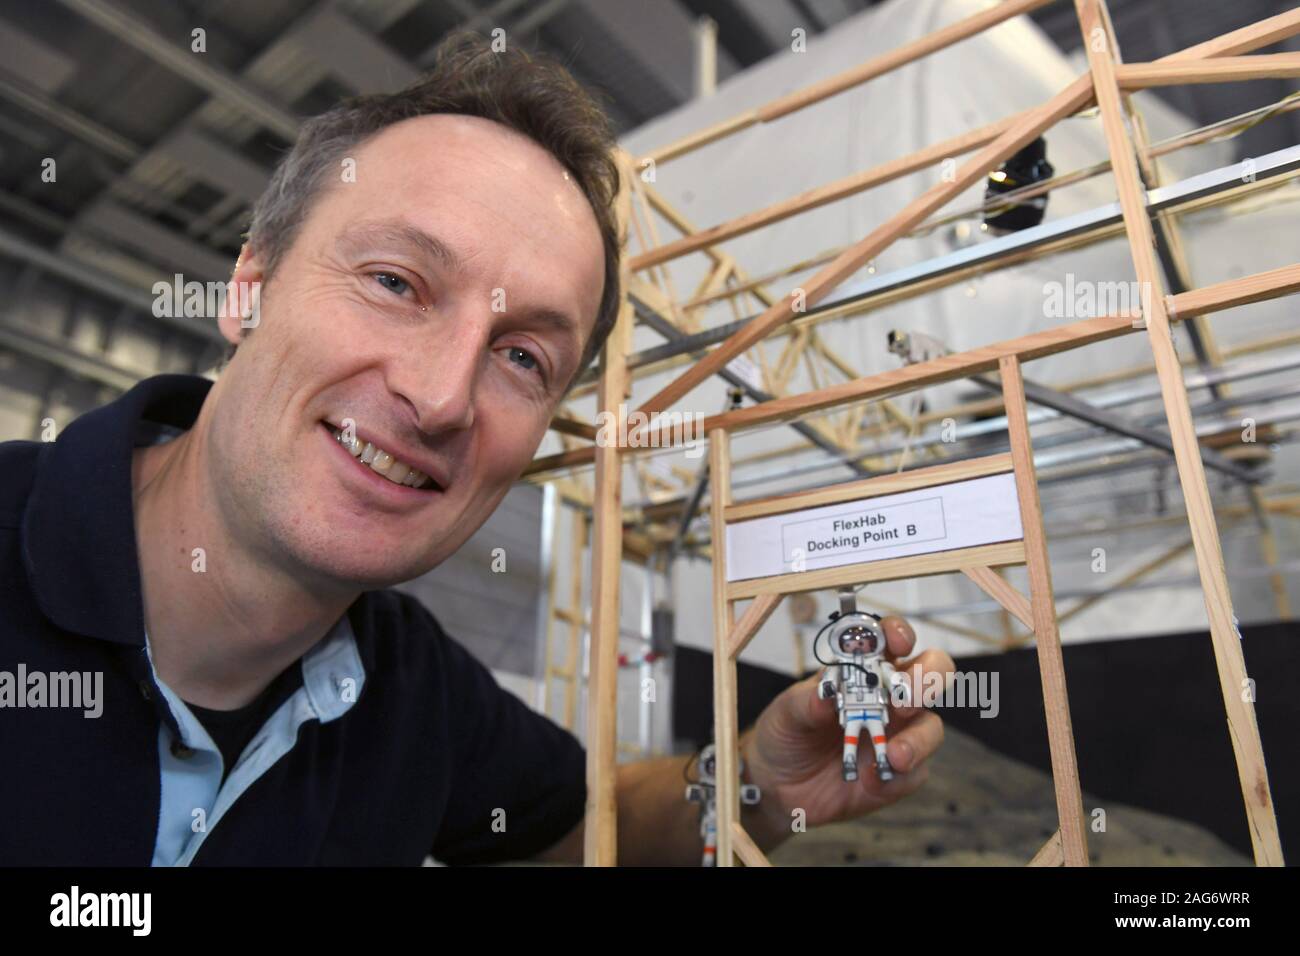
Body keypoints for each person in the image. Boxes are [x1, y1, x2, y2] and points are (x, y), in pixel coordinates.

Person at [0, 32, 953, 866]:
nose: (442, 396)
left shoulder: (412, 688)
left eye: (522, 357)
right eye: (396, 282)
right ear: (248, 288)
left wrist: (755, 785)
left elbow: (592, 829)